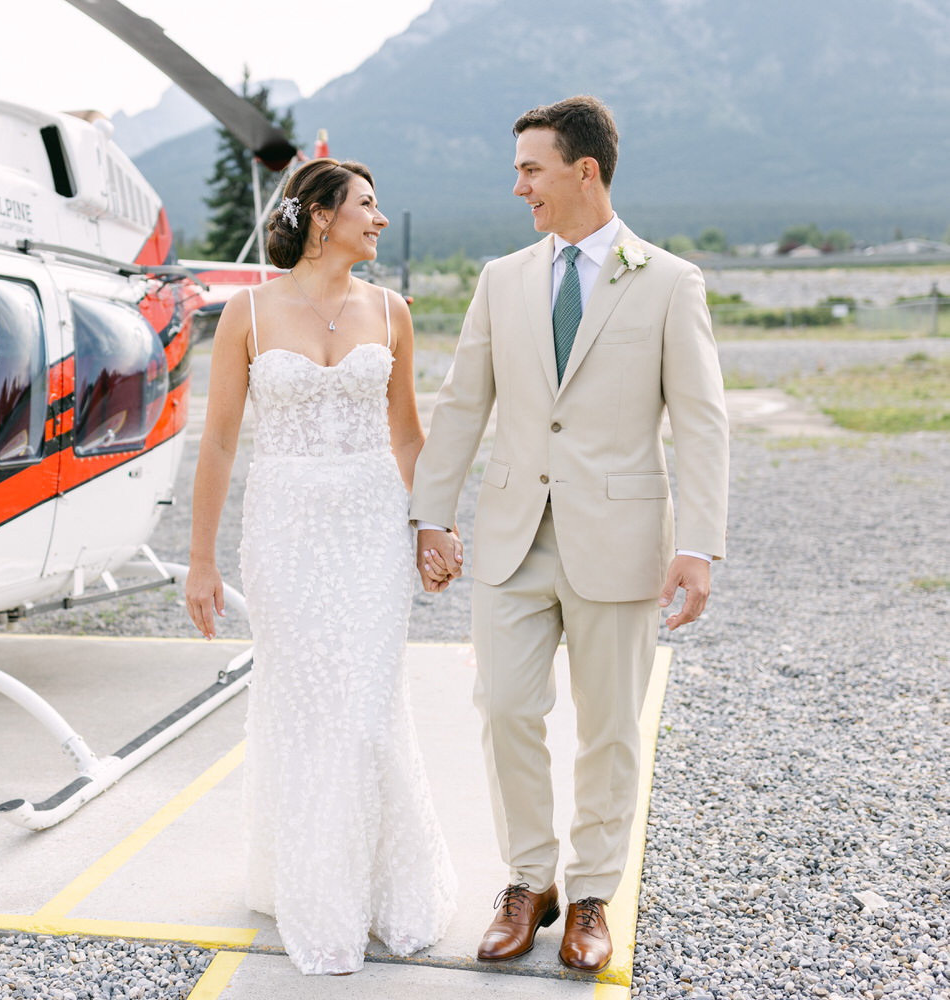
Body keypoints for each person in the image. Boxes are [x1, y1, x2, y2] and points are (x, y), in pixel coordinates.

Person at [411, 96, 729, 973]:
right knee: (505, 708)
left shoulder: (668, 281)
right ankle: (529, 881)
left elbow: (702, 424)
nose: (518, 186)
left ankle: (591, 896)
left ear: (585, 170)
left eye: (531, 169)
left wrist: (698, 543)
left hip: (621, 539)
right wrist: (430, 514)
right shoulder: (500, 278)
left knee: (610, 728)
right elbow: (464, 403)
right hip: (513, 536)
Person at [186, 158, 457, 975]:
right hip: (287, 531)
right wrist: (200, 560)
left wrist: (433, 524)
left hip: (373, 527)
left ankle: (386, 886)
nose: (378, 219)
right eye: (367, 206)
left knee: (368, 707)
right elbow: (221, 441)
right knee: (308, 708)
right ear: (319, 217)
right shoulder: (249, 314)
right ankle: (317, 893)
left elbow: (408, 435)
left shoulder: (393, 311)